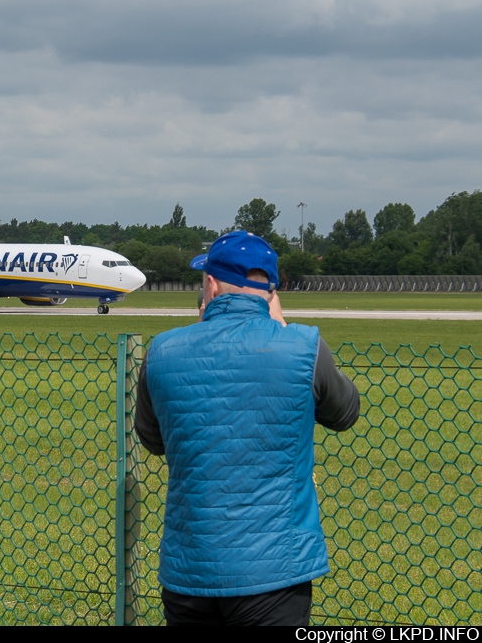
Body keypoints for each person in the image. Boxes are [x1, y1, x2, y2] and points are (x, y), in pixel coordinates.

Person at [135, 230, 360, 626]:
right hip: (275, 573)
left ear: (210, 284)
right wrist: (283, 327)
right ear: (272, 290)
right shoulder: (304, 346)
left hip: (190, 569)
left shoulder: (162, 350)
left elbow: (153, 439)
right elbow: (345, 413)